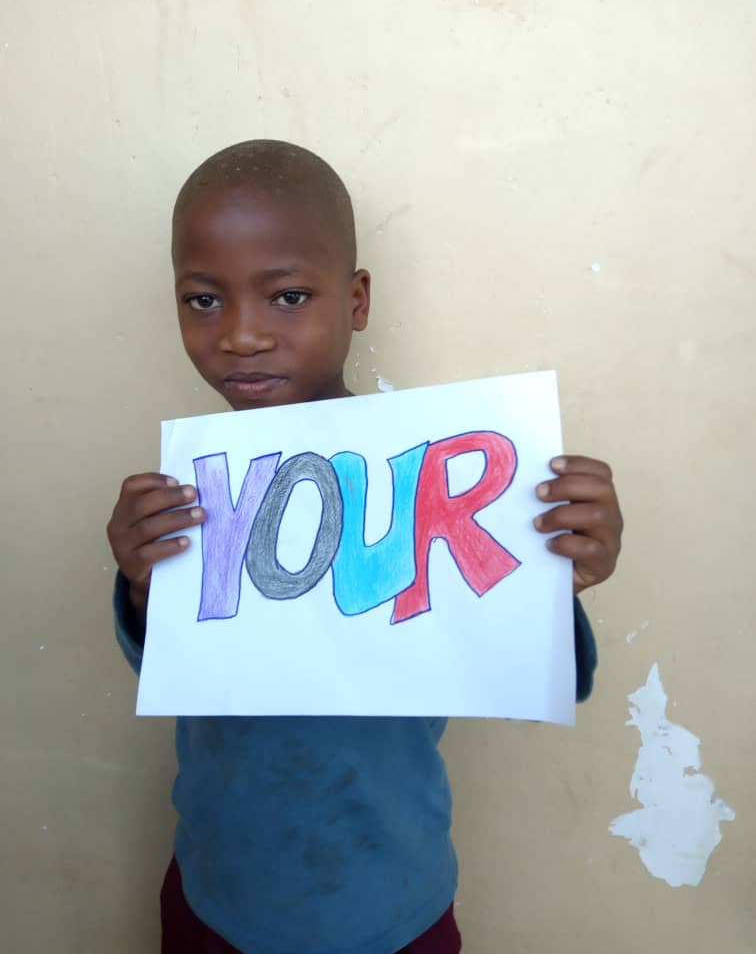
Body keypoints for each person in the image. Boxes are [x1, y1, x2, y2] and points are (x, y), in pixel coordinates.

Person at [107, 140, 623, 954]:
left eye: (288, 297)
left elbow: (509, 655)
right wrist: (143, 584)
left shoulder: (432, 485)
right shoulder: (196, 498)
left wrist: (563, 570)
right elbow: (181, 671)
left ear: (356, 301)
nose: (242, 335)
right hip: (217, 892)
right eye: (203, 300)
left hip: (391, 904)